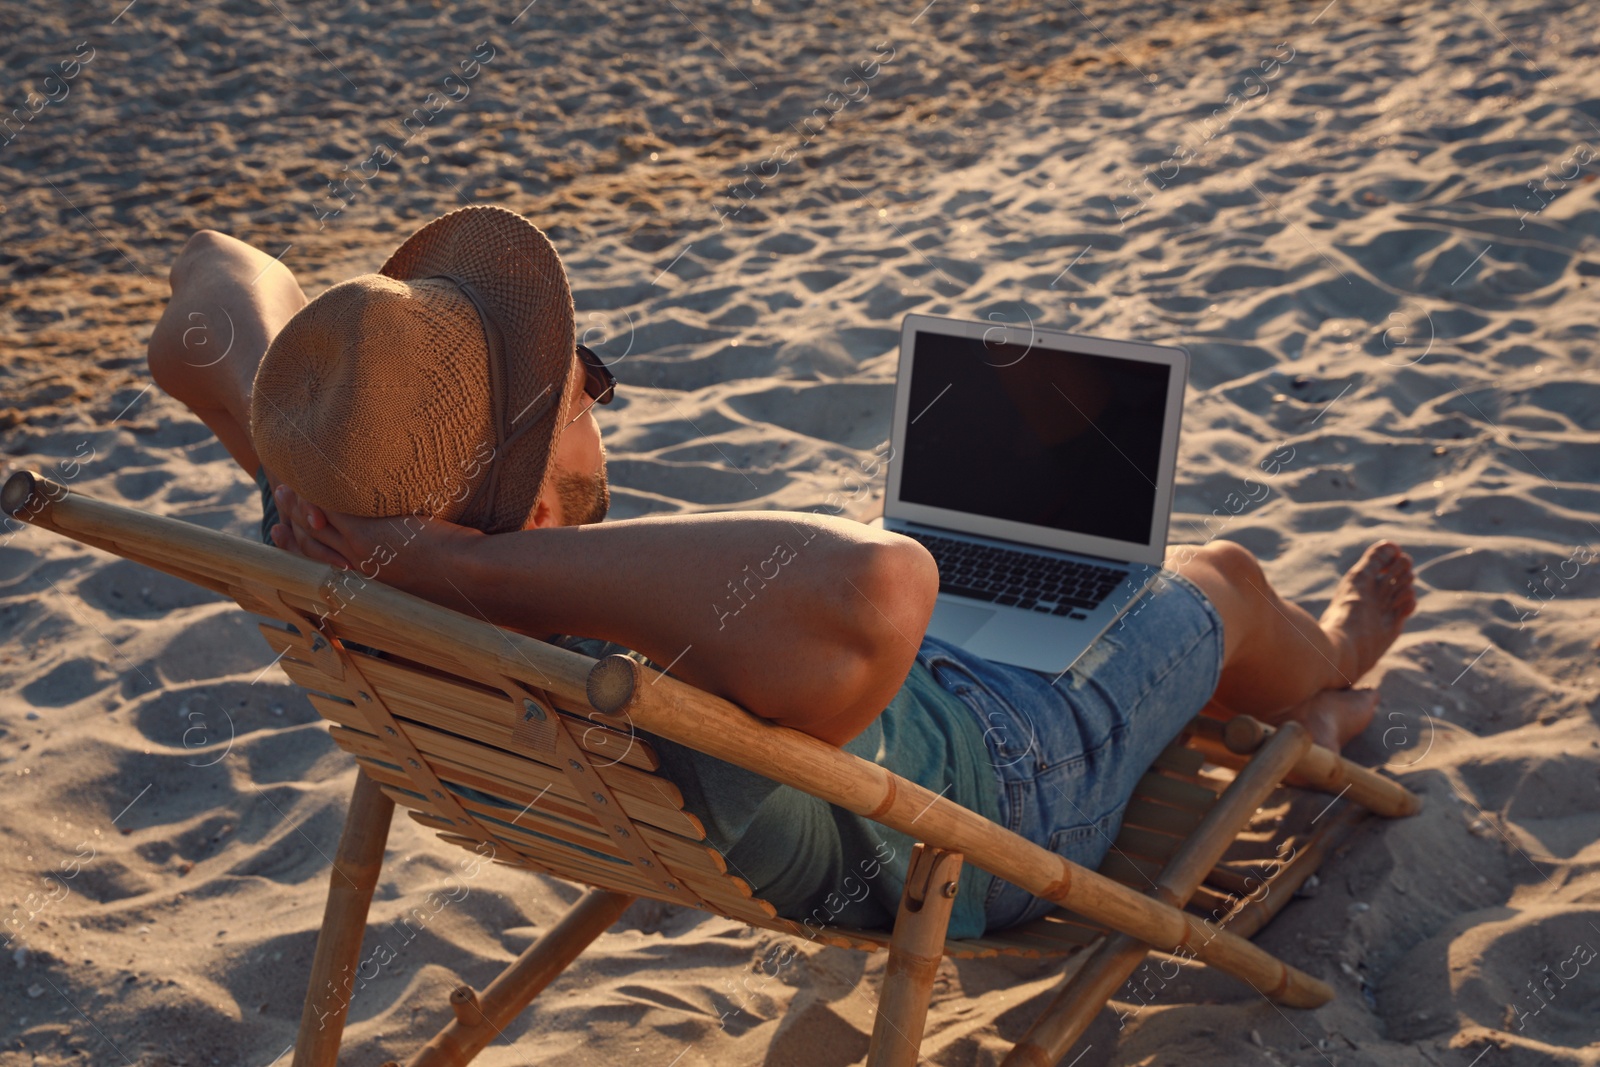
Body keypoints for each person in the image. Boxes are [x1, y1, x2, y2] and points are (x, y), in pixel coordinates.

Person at [144, 206, 1418, 939]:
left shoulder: (319, 532)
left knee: (1044, 576)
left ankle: (1295, 701)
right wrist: (464, 570)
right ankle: (1334, 676)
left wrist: (349, 484)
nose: (599, 390)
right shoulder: (614, 650)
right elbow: (882, 588)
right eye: (583, 384)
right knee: (1220, 573)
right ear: (528, 500)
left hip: (848, 700)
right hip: (1015, 788)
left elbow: (214, 267)